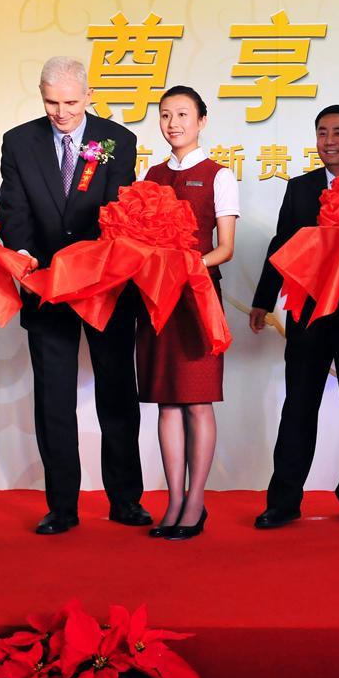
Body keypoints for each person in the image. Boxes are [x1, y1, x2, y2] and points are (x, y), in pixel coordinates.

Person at [0, 56, 150, 535]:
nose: (61, 113)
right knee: (53, 398)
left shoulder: (116, 140)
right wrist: (25, 258)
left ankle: (125, 499)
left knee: (117, 392)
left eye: (70, 103)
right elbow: (13, 211)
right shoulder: (19, 141)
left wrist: (92, 266)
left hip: (105, 285)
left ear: (88, 97)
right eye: (51, 103)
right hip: (46, 286)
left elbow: (117, 212)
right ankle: (62, 506)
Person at [252, 106, 339, 530]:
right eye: (322, 132)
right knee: (299, 405)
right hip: (307, 312)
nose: (329, 141)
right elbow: (282, 244)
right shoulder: (301, 187)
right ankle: (284, 500)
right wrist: (263, 299)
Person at [135, 86, 237, 541]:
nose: (173, 123)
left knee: (197, 401)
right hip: (157, 299)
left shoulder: (218, 175)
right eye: (165, 115)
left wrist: (185, 266)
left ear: (201, 121)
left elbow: (225, 248)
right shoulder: (151, 175)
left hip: (198, 297)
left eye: (182, 115)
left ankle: (196, 501)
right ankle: (174, 500)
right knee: (167, 401)